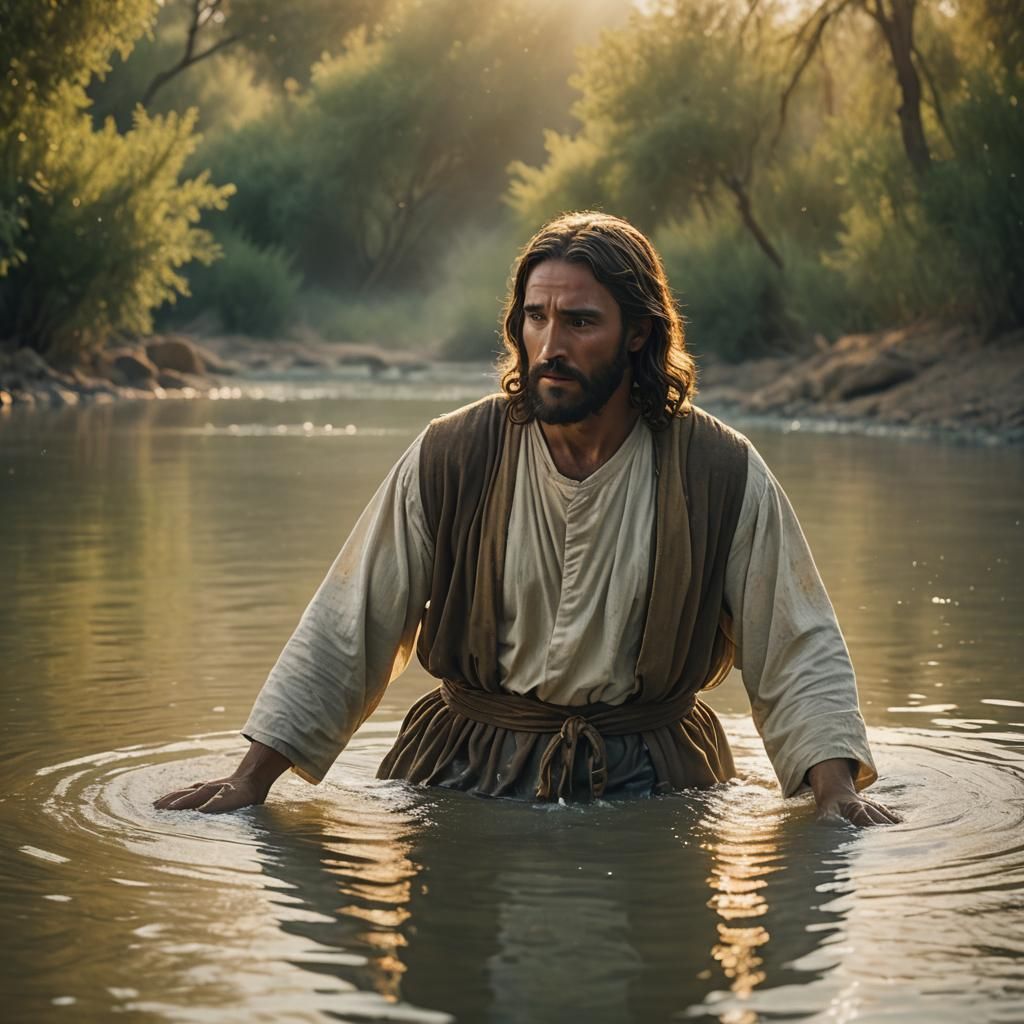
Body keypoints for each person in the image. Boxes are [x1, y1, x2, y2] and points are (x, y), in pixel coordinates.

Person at [155, 211, 898, 826]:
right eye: (536, 319)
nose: (552, 345)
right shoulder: (453, 455)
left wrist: (833, 793)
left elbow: (794, 641)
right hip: (463, 772)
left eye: (580, 321)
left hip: (659, 785)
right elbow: (351, 621)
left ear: (638, 334)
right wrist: (253, 779)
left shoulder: (718, 471)